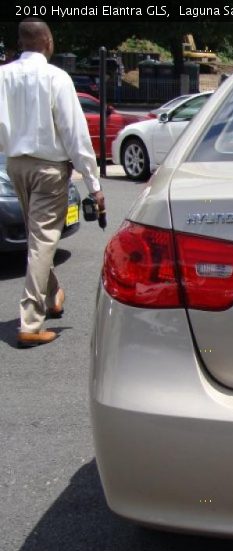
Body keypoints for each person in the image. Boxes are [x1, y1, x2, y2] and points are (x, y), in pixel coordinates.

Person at [0, 18, 105, 347]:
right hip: (49, 169)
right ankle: (30, 324)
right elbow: (76, 134)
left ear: (21, 43)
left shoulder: (3, 76)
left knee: (37, 236)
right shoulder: (56, 77)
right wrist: (95, 185)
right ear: (47, 42)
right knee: (44, 239)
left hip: (15, 164)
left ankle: (52, 294)